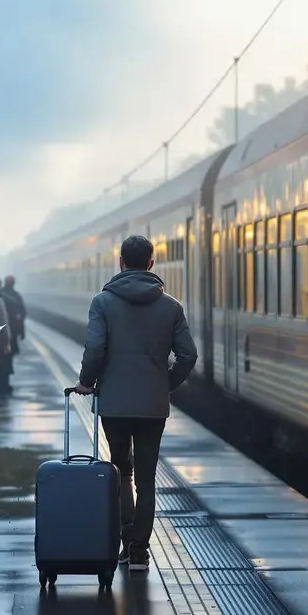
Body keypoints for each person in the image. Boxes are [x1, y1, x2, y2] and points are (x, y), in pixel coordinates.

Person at [73, 235, 197, 572]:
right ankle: (140, 550)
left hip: (114, 403)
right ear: (152, 263)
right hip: (153, 405)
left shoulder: (102, 302)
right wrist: (164, 383)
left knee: (120, 469)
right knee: (146, 476)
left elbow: (95, 349)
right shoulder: (171, 306)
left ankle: (127, 541)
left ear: (121, 262)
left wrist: (87, 381)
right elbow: (188, 355)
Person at [0, 275, 27, 393]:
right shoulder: (16, 296)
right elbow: (23, 314)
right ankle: (4, 384)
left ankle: (1, 382)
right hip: (12, 332)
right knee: (8, 358)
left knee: (0, 358)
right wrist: (21, 332)